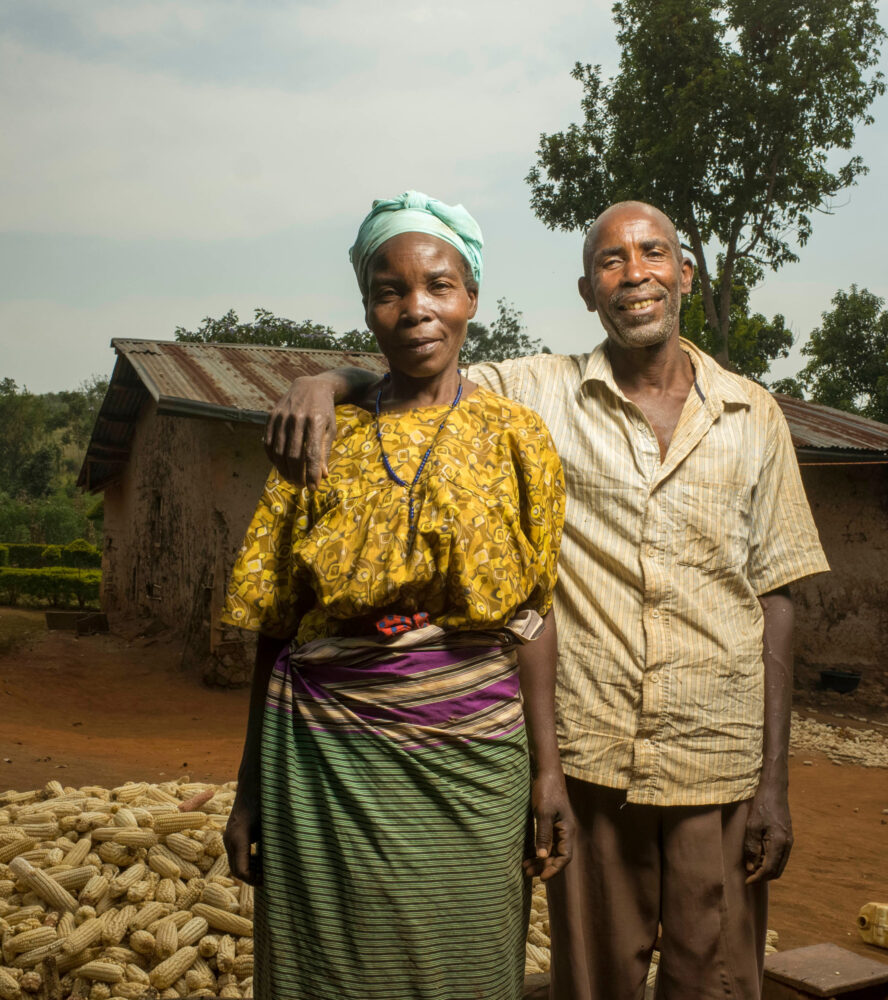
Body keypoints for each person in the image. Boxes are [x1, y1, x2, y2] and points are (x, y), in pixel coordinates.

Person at [264, 200, 830, 1000]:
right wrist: (323, 382)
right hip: (591, 754)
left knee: (721, 983)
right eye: (611, 261)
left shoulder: (753, 414)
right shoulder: (535, 393)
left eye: (653, 253)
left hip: (720, 758)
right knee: (592, 984)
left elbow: (777, 596)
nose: (635, 274)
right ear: (586, 290)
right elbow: (418, 363)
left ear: (685, 275)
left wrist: (775, 783)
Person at [222, 191, 574, 1000]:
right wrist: (250, 790)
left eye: (439, 286)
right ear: (368, 308)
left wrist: (549, 775)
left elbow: (533, 613)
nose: (417, 308)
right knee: (329, 969)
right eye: (390, 290)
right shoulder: (319, 439)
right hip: (324, 760)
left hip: (475, 761)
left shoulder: (515, 439)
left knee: (467, 961)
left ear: (472, 299)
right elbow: (276, 626)